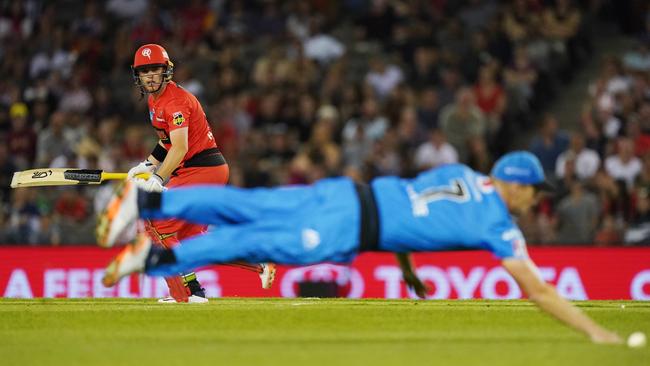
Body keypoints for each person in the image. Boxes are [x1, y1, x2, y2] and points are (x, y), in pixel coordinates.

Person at [98, 151, 621, 344]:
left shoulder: (462, 174)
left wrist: (408, 269)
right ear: (521, 187)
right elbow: (539, 292)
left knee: (249, 205)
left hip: (346, 192)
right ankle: (154, 256)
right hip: (350, 229)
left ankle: (147, 208)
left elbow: (417, 209)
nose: (535, 202)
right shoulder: (499, 224)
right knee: (257, 240)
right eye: (535, 192)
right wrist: (596, 333)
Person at [97, 43, 275, 303]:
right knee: (191, 240)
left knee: (156, 223)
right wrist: (146, 165)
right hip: (198, 170)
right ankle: (258, 263)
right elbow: (167, 142)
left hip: (202, 169)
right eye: (144, 71)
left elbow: (180, 147)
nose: (149, 76)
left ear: (166, 71)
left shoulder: (176, 101)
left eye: (154, 70)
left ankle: (188, 293)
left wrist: (157, 179)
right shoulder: (154, 100)